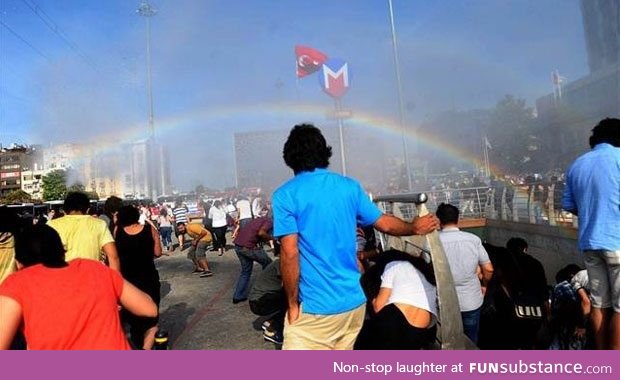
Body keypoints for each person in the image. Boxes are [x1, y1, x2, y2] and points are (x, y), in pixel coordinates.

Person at [273, 124, 439, 350]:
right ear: (324, 153)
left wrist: (292, 304)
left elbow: (290, 253)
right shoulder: (349, 187)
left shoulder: (285, 195)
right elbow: (384, 224)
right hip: (354, 303)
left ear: (289, 158)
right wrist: (414, 227)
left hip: (316, 308)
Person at [0, 225, 157, 350]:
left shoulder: (17, 284)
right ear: (62, 252)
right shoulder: (95, 269)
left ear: (19, 263)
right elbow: (149, 309)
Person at [562, 118, 620, 350]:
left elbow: (569, 204)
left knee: (599, 304)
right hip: (617, 241)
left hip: (590, 243)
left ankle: (603, 362)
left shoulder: (577, 165)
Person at [355, 250, 438, 350]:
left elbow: (378, 306)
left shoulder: (393, 266)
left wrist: (368, 288)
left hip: (398, 321)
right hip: (421, 329)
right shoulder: (422, 271)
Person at [436, 203, 493, 344]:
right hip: (471, 301)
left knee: (449, 341)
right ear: (457, 218)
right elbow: (489, 269)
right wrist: (484, 284)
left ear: (439, 220)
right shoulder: (473, 240)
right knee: (470, 339)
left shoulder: (433, 242)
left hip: (444, 303)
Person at [115, 206, 163, 349]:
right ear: (137, 215)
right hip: (149, 278)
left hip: (128, 283)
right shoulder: (150, 229)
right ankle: (146, 349)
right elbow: (158, 252)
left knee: (134, 320)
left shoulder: (118, 232)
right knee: (151, 319)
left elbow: (115, 256)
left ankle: (138, 346)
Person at [47, 192, 120, 271]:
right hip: (92, 278)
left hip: (61, 278)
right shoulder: (99, 224)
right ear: (88, 209)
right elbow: (113, 257)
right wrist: (114, 281)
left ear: (65, 209)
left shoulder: (52, 225)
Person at [232, 215, 274, 304]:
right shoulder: (269, 221)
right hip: (248, 247)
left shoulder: (258, 220)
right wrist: (272, 239)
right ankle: (265, 292)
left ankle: (238, 296)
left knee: (245, 272)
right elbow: (261, 233)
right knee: (269, 266)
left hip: (238, 245)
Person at [249, 257, 286, 345]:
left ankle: (270, 322)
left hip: (259, 299)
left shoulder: (283, 261)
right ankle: (273, 330)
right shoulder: (284, 262)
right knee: (292, 300)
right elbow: (288, 284)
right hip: (259, 302)